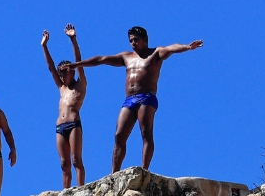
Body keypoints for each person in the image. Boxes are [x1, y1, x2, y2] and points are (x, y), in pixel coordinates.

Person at [68, 26, 202, 173]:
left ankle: (144, 169)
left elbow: (172, 48)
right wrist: (76, 65)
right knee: (119, 135)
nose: (133, 43)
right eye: (131, 40)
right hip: (129, 99)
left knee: (146, 133)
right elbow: (101, 59)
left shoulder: (156, 53)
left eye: (136, 40)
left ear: (145, 40)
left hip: (146, 97)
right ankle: (114, 172)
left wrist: (187, 47)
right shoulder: (127, 57)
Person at [41, 24, 87, 188]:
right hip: (60, 126)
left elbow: (80, 64)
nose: (61, 75)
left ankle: (81, 188)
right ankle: (66, 190)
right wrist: (45, 46)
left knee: (76, 159)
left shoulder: (79, 85)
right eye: (60, 73)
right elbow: (50, 68)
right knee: (63, 163)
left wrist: (73, 40)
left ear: (71, 72)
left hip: (74, 124)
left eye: (64, 72)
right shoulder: (62, 88)